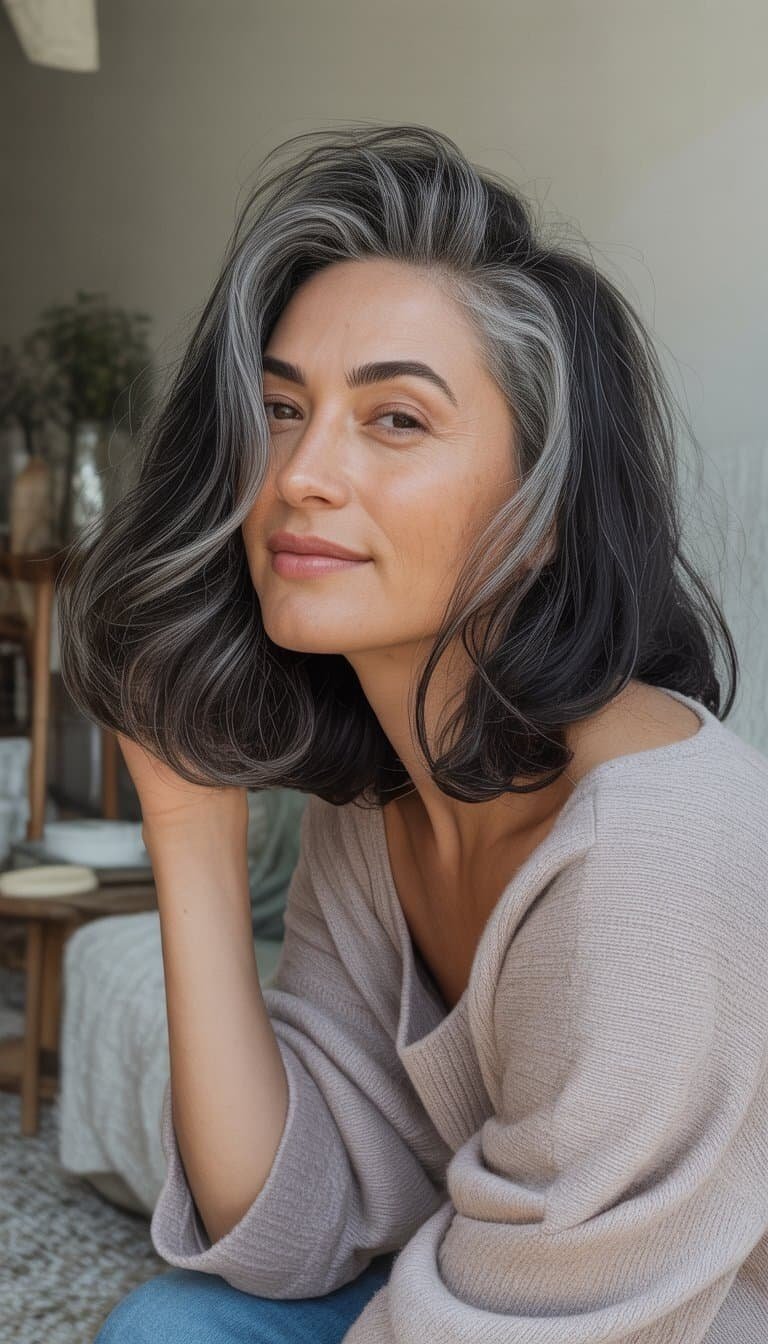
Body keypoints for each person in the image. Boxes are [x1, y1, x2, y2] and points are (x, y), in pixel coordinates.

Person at [57, 123, 767, 1343]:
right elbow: (290, 1226)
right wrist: (186, 826)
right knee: (174, 1325)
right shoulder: (387, 794)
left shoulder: (655, 857)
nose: (299, 475)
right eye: (281, 407)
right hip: (517, 1294)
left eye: (395, 420)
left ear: (542, 508)